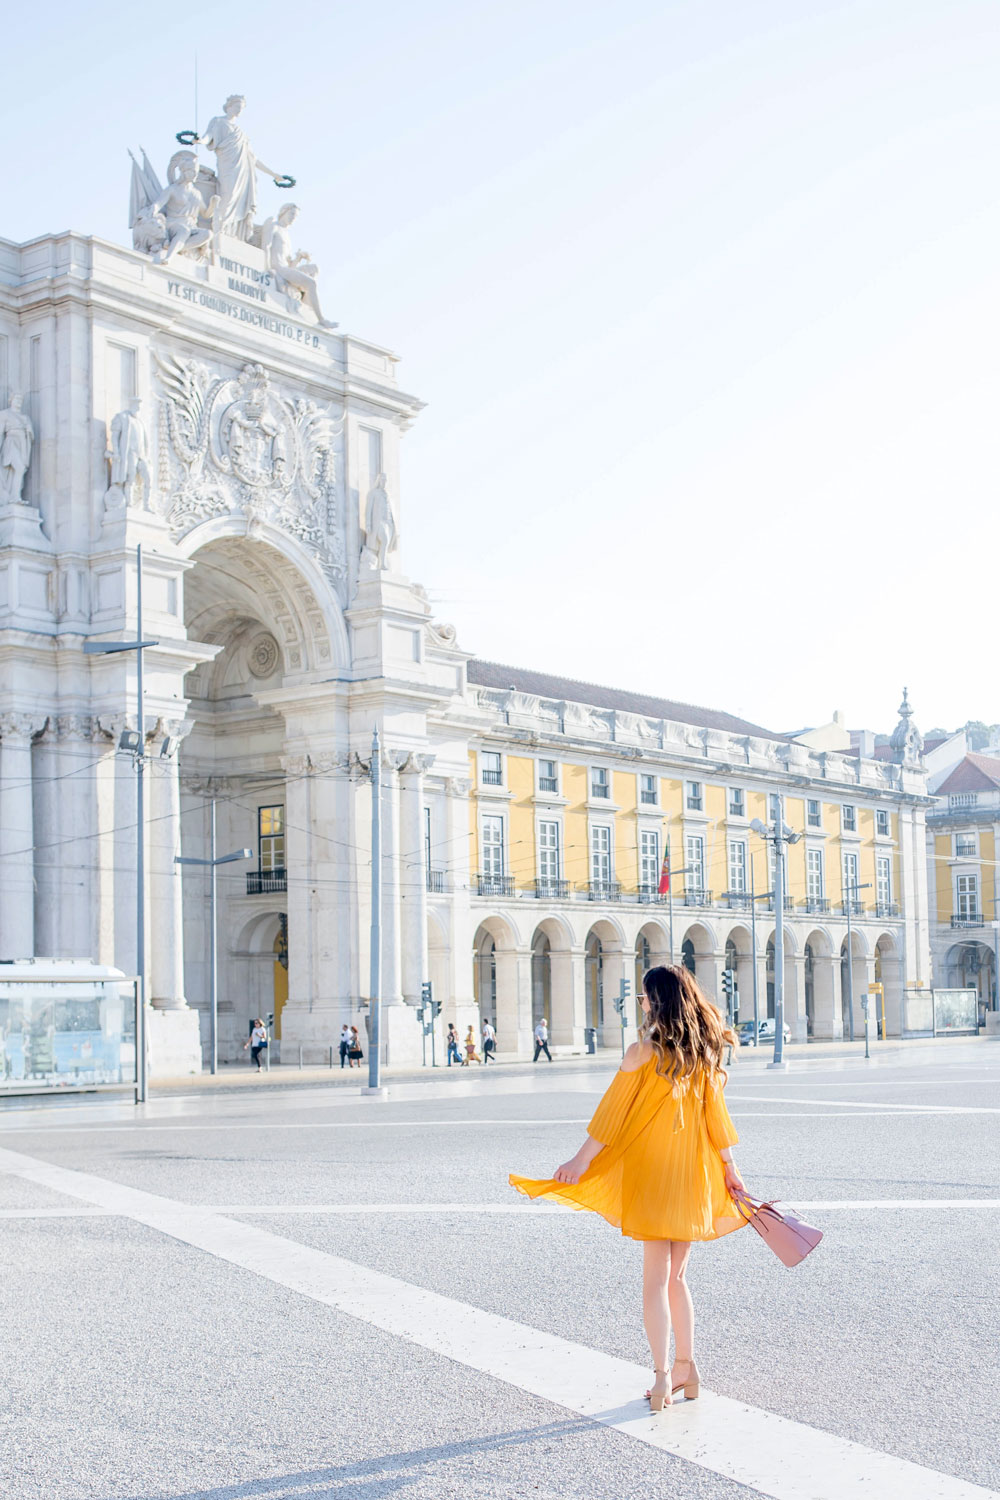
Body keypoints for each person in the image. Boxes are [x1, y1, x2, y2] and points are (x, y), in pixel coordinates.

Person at [510, 966, 746, 1412]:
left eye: (642, 998)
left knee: (654, 1281)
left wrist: (580, 1162)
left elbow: (610, 1117)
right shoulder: (702, 1057)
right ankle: (687, 1368)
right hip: (693, 1176)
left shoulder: (641, 1053)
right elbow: (719, 1123)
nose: (640, 1005)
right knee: (678, 1278)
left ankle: (661, 1379)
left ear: (656, 1003)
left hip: (654, 1176)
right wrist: (732, 1171)